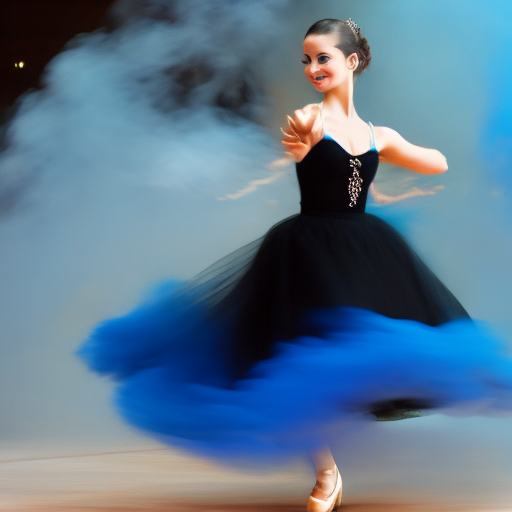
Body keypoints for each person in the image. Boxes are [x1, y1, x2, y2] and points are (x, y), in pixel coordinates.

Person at [77, 18, 512, 512]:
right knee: (299, 353)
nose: (312, 67)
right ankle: (327, 473)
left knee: (359, 346)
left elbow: (436, 163)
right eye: (306, 59)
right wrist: (317, 144)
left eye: (323, 57)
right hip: (307, 249)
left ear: (351, 61)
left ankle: (336, 453)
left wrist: (392, 165)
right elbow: (305, 145)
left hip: (364, 246)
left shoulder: (376, 135)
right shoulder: (308, 119)